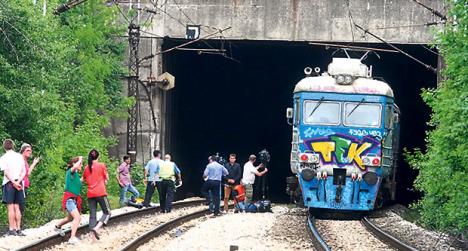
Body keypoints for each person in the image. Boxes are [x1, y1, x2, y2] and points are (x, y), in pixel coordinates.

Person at [82, 149, 110, 240]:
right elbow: (107, 178)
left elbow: (83, 179)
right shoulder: (102, 165)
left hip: (90, 194)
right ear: (98, 156)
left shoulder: (87, 167)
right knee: (107, 212)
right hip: (101, 192)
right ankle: (97, 228)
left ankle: (92, 237)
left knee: (92, 215)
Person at [54, 156, 83, 245]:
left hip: (74, 200)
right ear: (74, 164)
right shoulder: (70, 172)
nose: (81, 165)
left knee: (69, 218)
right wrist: (80, 159)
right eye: (80, 164)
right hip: (69, 200)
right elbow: (74, 168)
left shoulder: (76, 175)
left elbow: (79, 182)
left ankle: (57, 226)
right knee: (77, 218)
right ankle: (72, 238)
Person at [0, 139, 26, 236]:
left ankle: (12, 229)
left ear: (4, 147)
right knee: (17, 206)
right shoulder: (19, 156)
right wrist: (18, 182)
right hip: (19, 182)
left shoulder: (3, 158)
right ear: (13, 146)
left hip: (9, 183)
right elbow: (24, 172)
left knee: (10, 206)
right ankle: (18, 228)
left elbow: (6, 173)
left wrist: (13, 182)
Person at [19, 143, 41, 214]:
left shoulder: (25, 161)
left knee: (21, 206)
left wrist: (34, 163)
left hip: (24, 186)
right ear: (23, 150)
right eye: (28, 150)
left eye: (30, 151)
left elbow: (27, 173)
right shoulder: (20, 159)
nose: (30, 152)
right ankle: (16, 225)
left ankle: (18, 224)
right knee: (20, 206)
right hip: (20, 185)